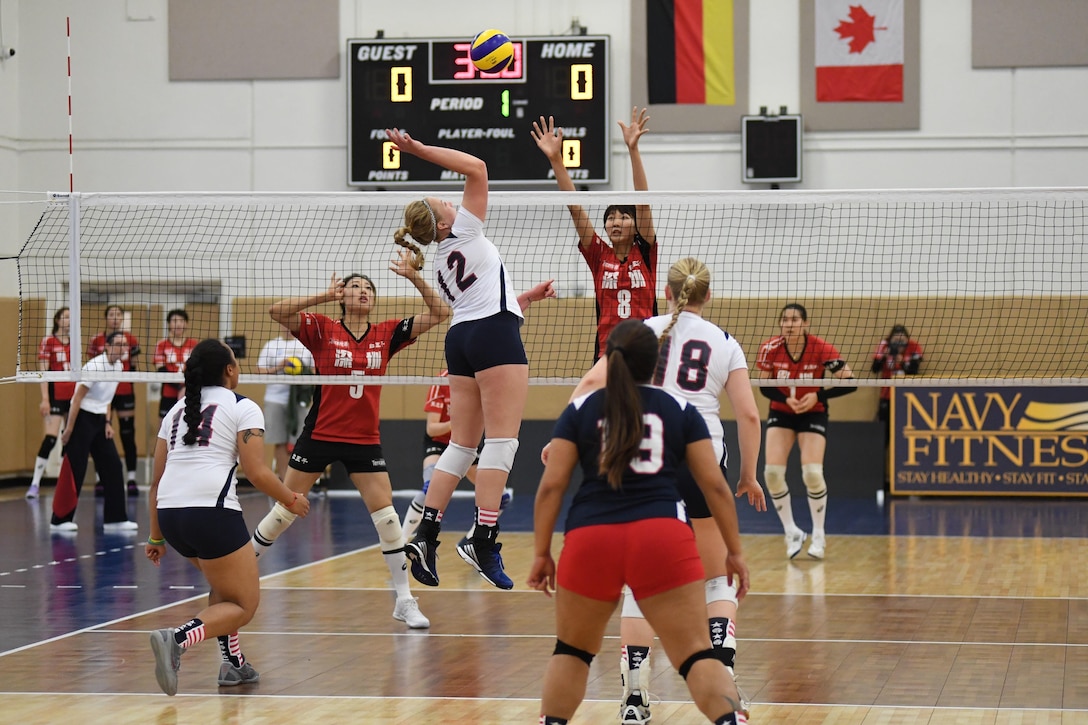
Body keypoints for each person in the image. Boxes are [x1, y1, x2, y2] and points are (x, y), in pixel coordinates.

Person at [559, 258, 765, 724]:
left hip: (646, 454)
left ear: (666, 292)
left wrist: (567, 433)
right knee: (718, 579)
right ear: (706, 296)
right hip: (703, 456)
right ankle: (724, 683)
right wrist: (748, 475)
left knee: (640, 579)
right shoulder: (724, 342)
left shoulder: (642, 331)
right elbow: (749, 416)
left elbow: (592, 384)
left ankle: (635, 697)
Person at [250, 254, 448, 630]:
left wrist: (413, 277)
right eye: (356, 286)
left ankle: (404, 600)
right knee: (284, 512)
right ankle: (243, 567)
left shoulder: (387, 333)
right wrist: (324, 295)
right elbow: (277, 311)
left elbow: (440, 313)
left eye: (369, 288)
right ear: (343, 295)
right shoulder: (322, 328)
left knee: (388, 519)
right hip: (319, 435)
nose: (363, 292)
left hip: (363, 440)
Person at [387, 128, 529, 592]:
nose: (452, 200)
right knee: (502, 442)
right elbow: (478, 167)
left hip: (461, 338)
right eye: (444, 202)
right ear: (445, 224)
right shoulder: (465, 229)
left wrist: (527, 298)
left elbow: (489, 298)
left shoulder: (445, 255)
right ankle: (483, 538)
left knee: (462, 445)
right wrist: (418, 150)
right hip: (491, 334)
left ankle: (426, 533)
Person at [145, 339, 310, 696]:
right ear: (230, 370)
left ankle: (233, 666)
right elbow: (257, 472)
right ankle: (176, 639)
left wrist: (156, 537)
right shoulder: (243, 406)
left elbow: (155, 483)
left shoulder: (173, 412)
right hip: (211, 513)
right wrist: (291, 499)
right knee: (243, 605)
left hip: (172, 517)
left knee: (224, 589)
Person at [401, 281, 556, 542]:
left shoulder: (488, 370)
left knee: (502, 495)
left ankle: (475, 536)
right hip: (440, 445)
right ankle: (406, 539)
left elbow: (501, 322)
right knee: (429, 487)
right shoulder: (446, 379)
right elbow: (432, 429)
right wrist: (460, 422)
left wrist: (528, 297)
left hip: (467, 444)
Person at [531, 108, 658, 361]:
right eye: (610, 218)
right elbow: (575, 209)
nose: (616, 222)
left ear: (635, 226)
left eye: (623, 216)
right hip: (607, 354)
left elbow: (643, 202)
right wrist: (556, 159)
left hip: (646, 353)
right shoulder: (599, 254)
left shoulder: (644, 251)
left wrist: (633, 150)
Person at [756, 303, 856, 560]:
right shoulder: (770, 348)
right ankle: (792, 532)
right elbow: (763, 387)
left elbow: (851, 383)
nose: (789, 324)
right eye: (785, 320)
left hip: (813, 412)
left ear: (805, 324)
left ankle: (819, 535)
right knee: (772, 475)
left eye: (795, 319)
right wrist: (785, 398)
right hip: (782, 411)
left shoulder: (821, 348)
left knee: (812, 472)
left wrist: (817, 395)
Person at [49, 331, 138, 533]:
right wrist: (69, 429)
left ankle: (115, 519)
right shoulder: (95, 365)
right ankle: (59, 520)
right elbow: (77, 399)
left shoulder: (119, 367)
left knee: (113, 467)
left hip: (99, 421)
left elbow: (107, 401)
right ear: (107, 346)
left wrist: (107, 423)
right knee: (75, 467)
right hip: (82, 418)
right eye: (118, 344)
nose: (122, 348)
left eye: (125, 345)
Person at [87, 304, 141, 497]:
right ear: (106, 318)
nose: (115, 318)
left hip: (124, 390)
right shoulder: (97, 340)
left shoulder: (131, 339)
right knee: (100, 433)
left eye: (119, 314)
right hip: (102, 392)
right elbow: (91, 365)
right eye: (111, 314)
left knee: (127, 434)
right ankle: (100, 479)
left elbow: (133, 366)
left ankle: (132, 478)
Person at [255, 323, 315, 478]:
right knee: (280, 441)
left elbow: (315, 372)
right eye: (285, 325)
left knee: (300, 442)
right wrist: (278, 367)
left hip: (298, 401)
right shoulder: (271, 345)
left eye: (291, 324)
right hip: (275, 399)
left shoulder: (305, 346)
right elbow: (260, 371)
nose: (288, 328)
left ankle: (296, 480)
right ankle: (284, 481)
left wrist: (302, 371)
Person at [27, 307, 74, 499]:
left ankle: (64, 487)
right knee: (51, 439)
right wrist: (45, 399)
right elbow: (43, 373)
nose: (68, 321)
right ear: (57, 320)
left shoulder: (75, 342)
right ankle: (35, 483)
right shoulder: (48, 342)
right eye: (65, 317)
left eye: (71, 317)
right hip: (56, 396)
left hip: (73, 397)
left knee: (69, 440)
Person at [872, 324, 924, 440]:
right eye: (896, 340)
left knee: (905, 428)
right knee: (885, 431)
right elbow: (875, 369)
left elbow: (914, 372)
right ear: (890, 339)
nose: (899, 344)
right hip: (887, 395)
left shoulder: (913, 347)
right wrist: (884, 357)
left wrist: (902, 363)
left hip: (908, 395)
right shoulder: (884, 346)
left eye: (902, 340)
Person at [153, 309, 198, 420]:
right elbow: (161, 369)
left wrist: (185, 387)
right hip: (168, 393)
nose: (178, 324)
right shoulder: (161, 344)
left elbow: (197, 369)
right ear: (169, 324)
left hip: (190, 393)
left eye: (181, 321)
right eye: (174, 321)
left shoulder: (194, 344)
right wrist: (180, 387)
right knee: (163, 426)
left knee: (190, 425)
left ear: (186, 323)